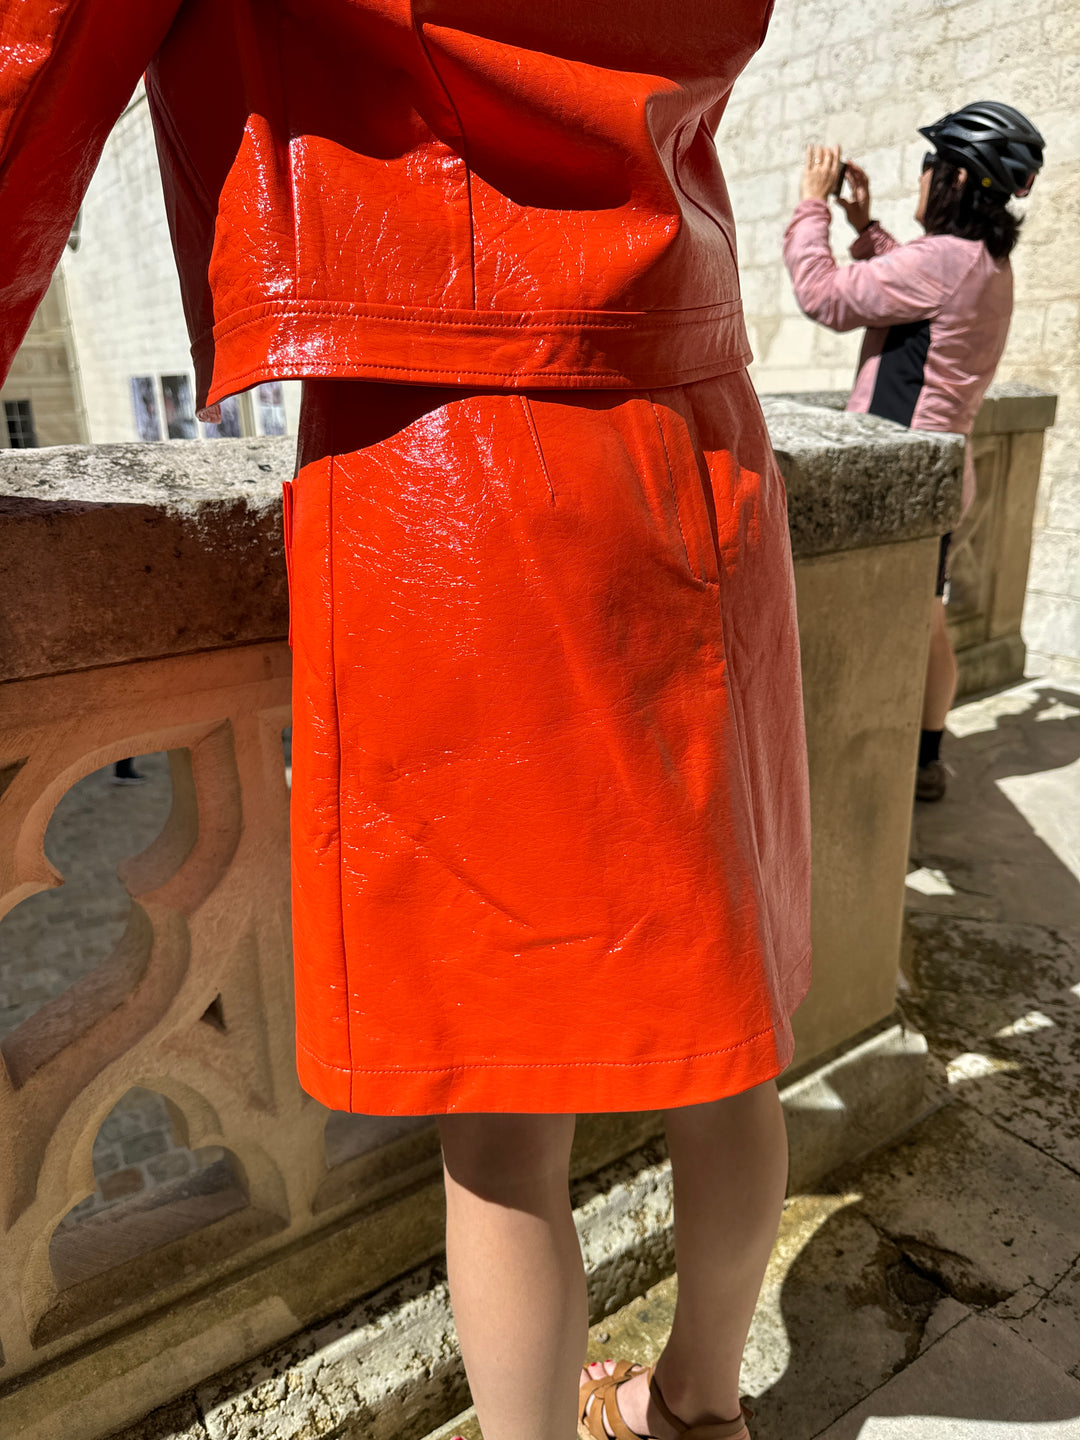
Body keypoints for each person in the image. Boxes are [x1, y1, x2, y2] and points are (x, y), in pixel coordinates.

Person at [0, 6, 812, 1440]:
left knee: (499, 1117)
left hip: (450, 435)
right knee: (728, 1029)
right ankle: (700, 1410)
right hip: (697, 408)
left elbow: (38, 54)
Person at [782, 103, 1044, 802]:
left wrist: (812, 206)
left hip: (898, 481)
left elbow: (824, 297)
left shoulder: (943, 261)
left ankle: (856, 772)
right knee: (927, 619)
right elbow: (917, 286)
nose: (922, 178)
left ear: (954, 178)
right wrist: (866, 228)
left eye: (930, 166)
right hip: (945, 471)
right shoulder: (985, 262)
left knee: (867, 626)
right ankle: (926, 761)